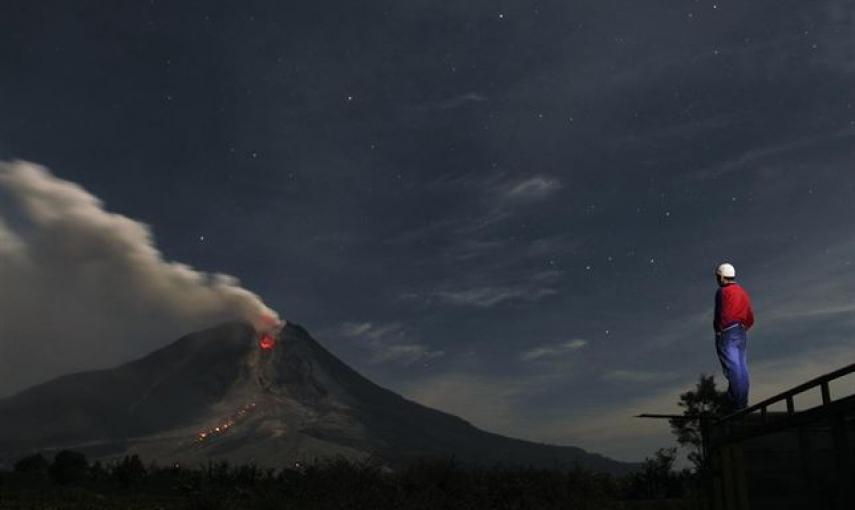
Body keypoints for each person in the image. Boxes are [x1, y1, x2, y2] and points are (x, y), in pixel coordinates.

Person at [713, 263, 754, 412]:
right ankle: (742, 402)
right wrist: (743, 327)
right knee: (741, 367)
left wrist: (719, 330)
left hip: (727, 332)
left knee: (733, 368)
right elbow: (750, 317)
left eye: (718, 277)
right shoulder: (742, 292)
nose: (717, 280)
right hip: (741, 331)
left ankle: (735, 405)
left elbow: (719, 314)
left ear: (722, 277)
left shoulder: (722, 292)